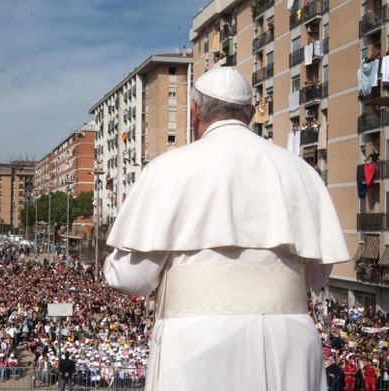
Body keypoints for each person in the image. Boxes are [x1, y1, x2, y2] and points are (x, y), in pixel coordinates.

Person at [103, 67, 350, 391]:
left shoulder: (167, 169)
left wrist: (111, 263)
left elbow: (133, 278)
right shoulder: (301, 171)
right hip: (289, 342)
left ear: (194, 112)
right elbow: (318, 277)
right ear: (250, 113)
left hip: (197, 345)